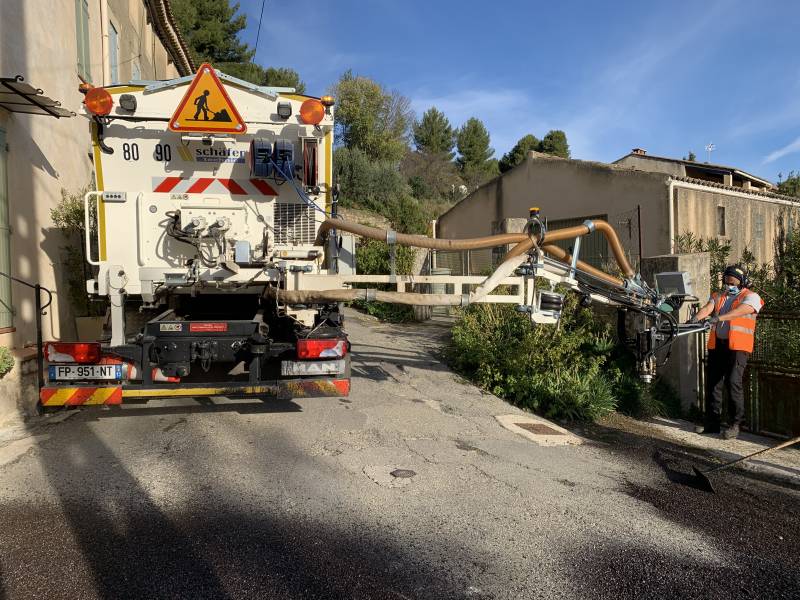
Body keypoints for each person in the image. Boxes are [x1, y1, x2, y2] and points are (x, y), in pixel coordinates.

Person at [689, 265, 764, 439]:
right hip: (718, 345)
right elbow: (708, 307)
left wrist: (718, 318)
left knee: (733, 382)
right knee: (713, 383)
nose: (729, 285)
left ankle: (735, 424)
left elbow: (741, 311)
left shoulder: (751, 297)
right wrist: (696, 318)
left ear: (742, 281)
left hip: (738, 347)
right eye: (727, 281)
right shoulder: (719, 295)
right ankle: (712, 423)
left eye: (733, 282)